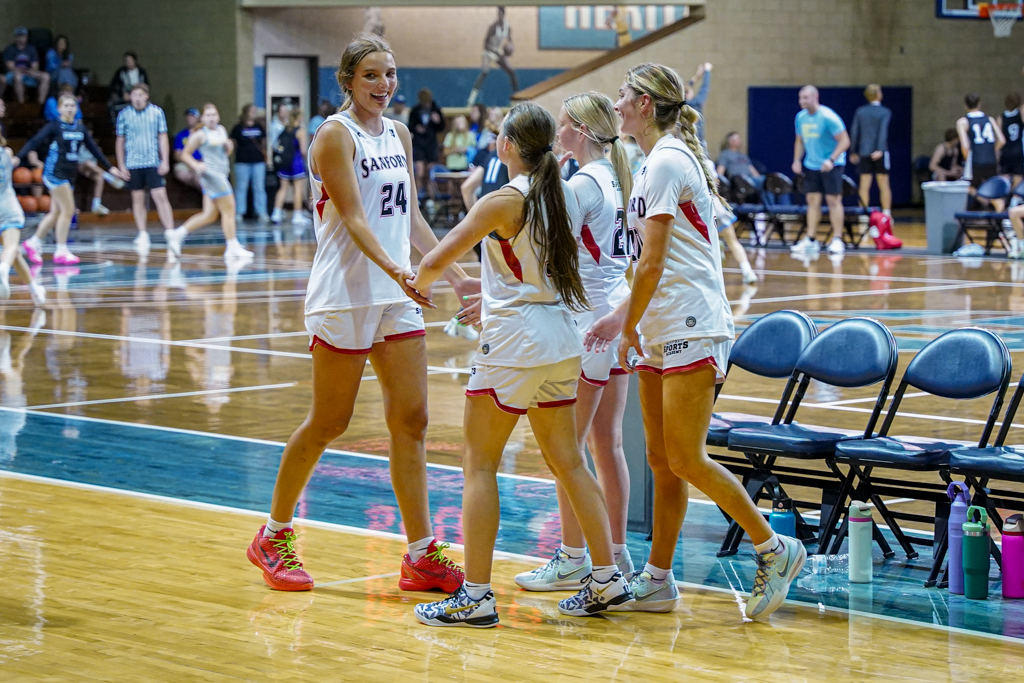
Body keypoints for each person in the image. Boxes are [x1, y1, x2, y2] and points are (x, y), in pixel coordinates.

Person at [246, 33, 479, 597]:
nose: (384, 85)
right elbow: (353, 218)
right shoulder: (333, 135)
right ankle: (272, 535)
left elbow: (411, 217)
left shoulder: (398, 133)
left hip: (394, 295)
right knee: (331, 420)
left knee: (413, 420)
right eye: (372, 75)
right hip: (346, 293)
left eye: (391, 74)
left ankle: (422, 554)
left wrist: (452, 271)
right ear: (348, 80)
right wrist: (399, 270)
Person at [410, 101, 633, 628]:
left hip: (514, 341)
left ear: (508, 144)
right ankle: (606, 578)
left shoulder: (502, 200)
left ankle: (477, 596)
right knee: (571, 462)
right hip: (562, 337)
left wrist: (414, 286)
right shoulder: (562, 193)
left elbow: (435, 260)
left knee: (479, 464)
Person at [599, 62, 804, 618]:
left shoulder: (666, 161)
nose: (616, 104)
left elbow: (654, 262)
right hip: (664, 325)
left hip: (691, 323)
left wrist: (626, 325)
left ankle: (774, 547)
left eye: (623, 96)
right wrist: (635, 320)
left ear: (645, 104)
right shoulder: (650, 164)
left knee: (687, 458)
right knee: (662, 461)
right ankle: (659, 579)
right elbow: (644, 260)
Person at [513, 91, 637, 593]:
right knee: (607, 444)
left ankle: (572, 557)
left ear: (580, 133)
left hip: (588, 323)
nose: (555, 133)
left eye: (562, 125)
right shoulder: (616, 176)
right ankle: (619, 551)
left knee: (567, 450)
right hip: (616, 315)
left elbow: (544, 252)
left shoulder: (580, 185)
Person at [18, 95, 128, 266]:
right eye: (66, 105)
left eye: (72, 106)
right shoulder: (54, 126)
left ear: (76, 109)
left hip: (69, 174)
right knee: (68, 211)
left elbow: (94, 149)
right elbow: (35, 141)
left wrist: (110, 167)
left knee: (56, 212)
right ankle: (61, 250)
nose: (69, 108)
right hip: (55, 172)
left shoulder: (80, 128)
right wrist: (18, 157)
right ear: (59, 109)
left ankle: (33, 242)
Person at [164, 104, 254, 263]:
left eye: (214, 114)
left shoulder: (221, 130)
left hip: (222, 173)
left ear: (218, 116)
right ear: (203, 118)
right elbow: (184, 154)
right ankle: (232, 247)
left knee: (209, 215)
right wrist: (195, 165)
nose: (212, 118)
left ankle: (177, 235)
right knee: (229, 210)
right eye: (208, 115)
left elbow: (225, 152)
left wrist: (229, 148)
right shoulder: (199, 135)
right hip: (212, 176)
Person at [790, 85, 850, 256]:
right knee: (812, 200)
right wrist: (796, 160)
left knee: (833, 200)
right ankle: (810, 239)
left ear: (815, 98)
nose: (802, 101)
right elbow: (799, 141)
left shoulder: (828, 117)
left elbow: (845, 141)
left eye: (805, 98)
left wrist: (831, 160)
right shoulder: (800, 118)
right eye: (800, 97)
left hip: (832, 164)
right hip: (811, 164)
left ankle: (837, 239)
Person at [116, 82, 175, 255]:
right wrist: (121, 164)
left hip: (152, 161)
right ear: (130, 97)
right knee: (138, 199)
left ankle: (170, 231)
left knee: (160, 196)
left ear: (146, 96)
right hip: (133, 163)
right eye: (134, 95)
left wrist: (165, 161)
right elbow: (120, 141)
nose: (137, 99)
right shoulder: (124, 115)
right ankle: (142, 233)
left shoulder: (157, 112)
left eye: (140, 95)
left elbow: (162, 137)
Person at [0, 133, 46, 305]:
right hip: (7, 206)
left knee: (14, 251)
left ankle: (34, 289)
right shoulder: (7, 152)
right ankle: (3, 270)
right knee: (12, 249)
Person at [849, 84, 892, 216]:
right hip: (881, 152)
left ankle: (863, 214)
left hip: (864, 151)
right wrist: (879, 149)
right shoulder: (885, 111)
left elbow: (854, 131)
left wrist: (853, 151)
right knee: (883, 184)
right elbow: (882, 132)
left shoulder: (860, 111)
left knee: (864, 184)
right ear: (879, 94)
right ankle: (886, 214)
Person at [957, 93, 1005, 210]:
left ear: (965, 106)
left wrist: (968, 158)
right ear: (979, 104)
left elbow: (965, 145)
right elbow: (1002, 140)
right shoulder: (989, 119)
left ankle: (984, 200)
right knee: (993, 190)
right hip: (991, 159)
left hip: (975, 159)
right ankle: (1001, 219)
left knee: (967, 186)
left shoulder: (963, 121)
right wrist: (991, 150)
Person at [467, 6, 518, 107]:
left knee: (511, 72)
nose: (499, 15)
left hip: (498, 52)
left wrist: (510, 48)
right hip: (488, 52)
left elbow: (510, 41)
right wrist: (494, 51)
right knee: (485, 72)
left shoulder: (507, 27)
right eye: (497, 13)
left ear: (503, 14)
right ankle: (471, 98)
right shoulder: (493, 27)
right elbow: (485, 44)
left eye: (500, 13)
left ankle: (517, 98)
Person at [230, 103, 270, 222]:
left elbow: (263, 143)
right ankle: (240, 212)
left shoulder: (259, 127)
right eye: (252, 110)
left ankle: (261, 212)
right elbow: (233, 143)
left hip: (258, 161)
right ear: (246, 112)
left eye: (255, 110)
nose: (254, 112)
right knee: (241, 187)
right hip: (242, 161)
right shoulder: (238, 128)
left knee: (259, 187)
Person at [270, 108, 311, 226]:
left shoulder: (286, 128)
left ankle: (276, 213)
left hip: (284, 162)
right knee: (298, 189)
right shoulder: (301, 130)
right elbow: (303, 150)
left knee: (283, 188)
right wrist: (308, 160)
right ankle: (297, 215)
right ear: (299, 117)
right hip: (296, 162)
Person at [409, 89, 444, 201]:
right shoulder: (415, 111)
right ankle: (416, 198)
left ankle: (431, 199)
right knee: (419, 172)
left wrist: (437, 121)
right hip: (419, 144)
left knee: (430, 173)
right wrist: (416, 128)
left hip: (431, 144)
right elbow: (410, 126)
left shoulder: (436, 109)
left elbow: (441, 127)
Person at [1, 27, 49, 105]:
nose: (21, 38)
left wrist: (30, 71)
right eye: (19, 36)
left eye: (23, 36)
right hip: (13, 73)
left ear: (26, 37)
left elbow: (36, 65)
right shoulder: (10, 49)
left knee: (46, 76)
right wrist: (20, 70)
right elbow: (10, 66)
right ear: (16, 37)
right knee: (18, 77)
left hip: (29, 72)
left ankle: (40, 104)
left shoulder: (31, 49)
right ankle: (22, 104)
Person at [109, 52, 150, 119]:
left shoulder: (141, 72)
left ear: (134, 61)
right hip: (125, 98)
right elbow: (113, 85)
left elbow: (147, 85)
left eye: (130, 61)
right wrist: (122, 94)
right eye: (126, 61)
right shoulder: (121, 72)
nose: (128, 63)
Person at [173, 108, 203, 191]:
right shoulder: (180, 135)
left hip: (202, 163)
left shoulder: (204, 133)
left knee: (200, 177)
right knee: (181, 172)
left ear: (199, 118)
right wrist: (190, 163)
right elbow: (177, 155)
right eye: (188, 116)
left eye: (192, 116)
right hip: (186, 164)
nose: (189, 118)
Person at [999, 92, 1024, 188]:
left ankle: (1004, 198)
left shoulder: (1001, 117)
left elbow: (999, 137)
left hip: (1005, 150)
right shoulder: (1020, 115)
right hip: (1017, 150)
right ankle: (1014, 200)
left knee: (1004, 177)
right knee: (1017, 177)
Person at [684, 63, 711, 146]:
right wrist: (707, 71)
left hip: (684, 140)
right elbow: (705, 87)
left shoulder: (680, 103)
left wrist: (697, 76)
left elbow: (685, 88)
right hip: (697, 140)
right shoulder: (696, 103)